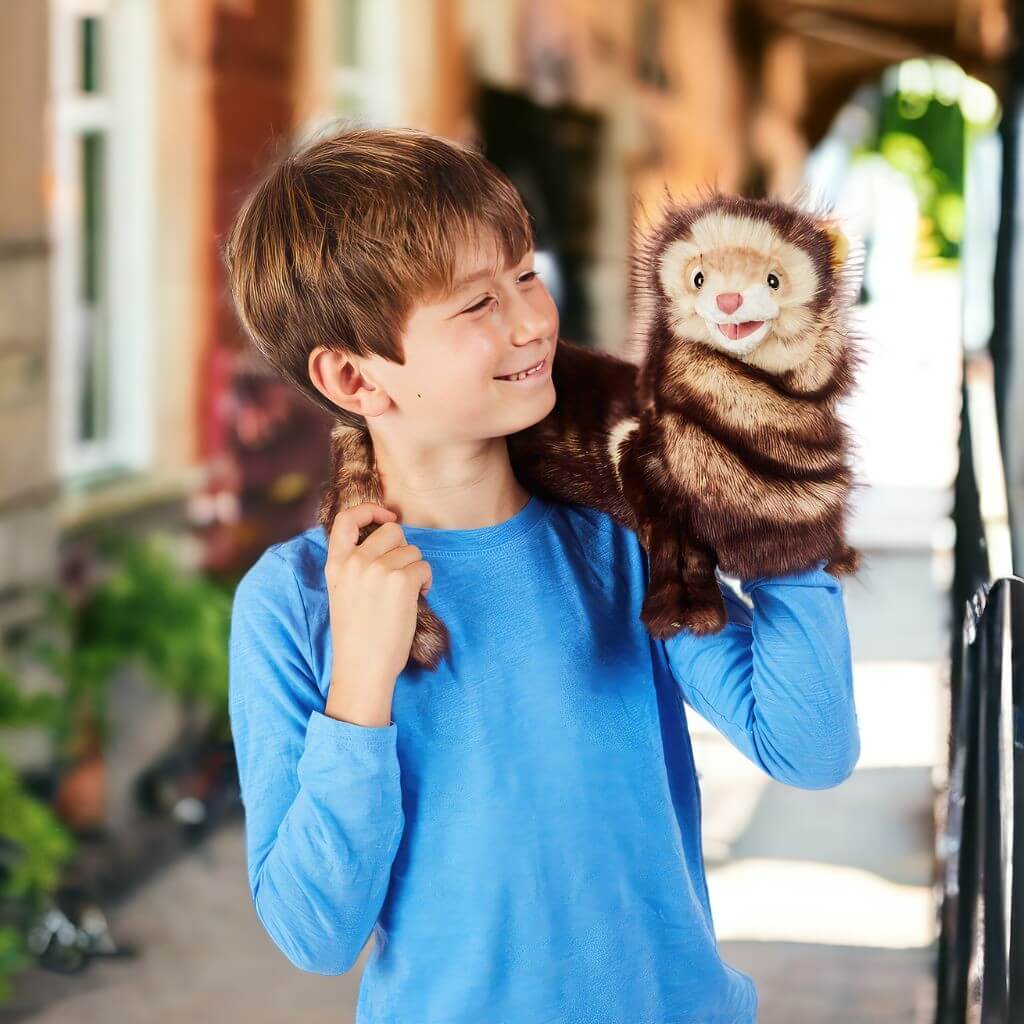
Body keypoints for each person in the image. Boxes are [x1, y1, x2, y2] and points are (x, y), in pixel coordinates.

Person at [223, 122, 860, 1024]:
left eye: (526, 274)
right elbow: (316, 934)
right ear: (356, 380)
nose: (532, 320)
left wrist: (775, 499)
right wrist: (359, 686)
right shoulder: (294, 603)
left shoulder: (620, 537)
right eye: (476, 305)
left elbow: (808, 748)